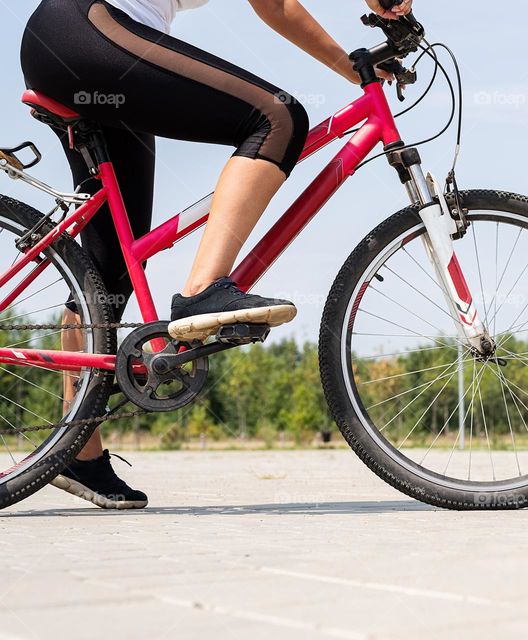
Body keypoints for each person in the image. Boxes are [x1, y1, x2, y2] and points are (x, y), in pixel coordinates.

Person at [19, 0, 413, 509]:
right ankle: (203, 293)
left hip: (89, 39)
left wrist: (358, 69)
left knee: (106, 271)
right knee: (277, 116)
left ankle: (78, 453)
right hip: (89, 29)